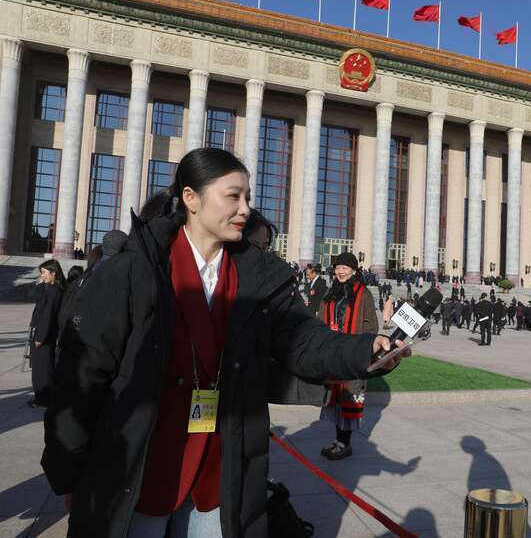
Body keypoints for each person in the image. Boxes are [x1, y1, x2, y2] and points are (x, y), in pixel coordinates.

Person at [42, 148, 403, 538]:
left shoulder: (257, 276)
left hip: (218, 472)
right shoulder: (133, 271)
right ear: (191, 199)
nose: (245, 209)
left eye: (247, 197)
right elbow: (82, 378)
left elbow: (303, 339)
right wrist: (68, 472)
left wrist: (365, 349)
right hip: (139, 473)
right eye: (233, 196)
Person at [318, 252, 380, 461]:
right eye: (337, 268)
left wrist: (360, 347)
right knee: (335, 398)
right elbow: (320, 320)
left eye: (345, 268)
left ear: (354, 270)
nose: (340, 272)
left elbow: (371, 325)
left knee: (349, 397)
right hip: (333, 354)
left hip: (352, 355)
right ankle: (338, 439)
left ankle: (345, 443)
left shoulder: (363, 293)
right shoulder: (331, 293)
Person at [28, 259, 65, 408]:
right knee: (38, 367)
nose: (42, 275)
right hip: (41, 331)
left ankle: (44, 399)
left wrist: (40, 337)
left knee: (43, 369)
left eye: (44, 272)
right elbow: (37, 299)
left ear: (53, 273)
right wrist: (40, 285)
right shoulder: (48, 287)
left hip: (45, 334)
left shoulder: (55, 291)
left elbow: (48, 315)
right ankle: (39, 397)